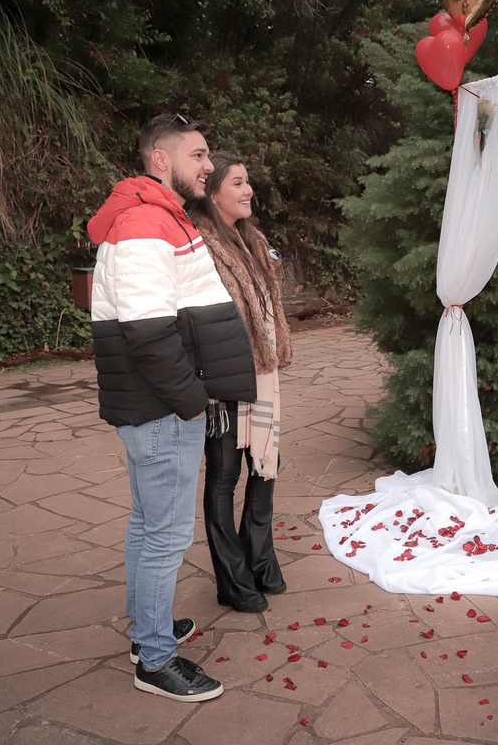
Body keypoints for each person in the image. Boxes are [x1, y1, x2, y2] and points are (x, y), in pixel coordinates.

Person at [88, 113, 258, 702]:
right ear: (160, 159)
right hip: (163, 409)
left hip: (157, 407)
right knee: (164, 535)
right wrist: (193, 402)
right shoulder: (142, 222)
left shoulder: (157, 216)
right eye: (198, 156)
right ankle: (156, 661)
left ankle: (146, 632)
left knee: (147, 525)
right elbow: (147, 331)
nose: (208, 166)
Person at [187, 151, 293, 614]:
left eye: (248, 182)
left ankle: (259, 558)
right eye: (237, 183)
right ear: (213, 195)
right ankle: (231, 579)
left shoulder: (250, 238)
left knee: (265, 464)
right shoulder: (200, 244)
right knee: (224, 475)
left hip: (262, 371)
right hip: (225, 376)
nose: (249, 190)